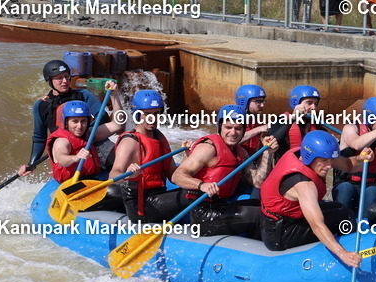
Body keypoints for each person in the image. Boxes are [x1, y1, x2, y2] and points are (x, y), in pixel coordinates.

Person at [260, 130, 372, 267]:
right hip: (280, 234)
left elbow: (349, 165)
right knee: (345, 218)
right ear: (310, 156)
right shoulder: (304, 184)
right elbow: (317, 226)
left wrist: (360, 158)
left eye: (331, 160)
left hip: (289, 218)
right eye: (325, 161)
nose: (330, 165)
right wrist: (344, 254)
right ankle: (350, 253)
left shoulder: (304, 154)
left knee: (341, 210)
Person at [170, 105, 278, 238]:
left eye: (238, 128)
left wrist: (268, 152)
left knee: (267, 208)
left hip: (221, 206)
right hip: (203, 215)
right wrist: (201, 185)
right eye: (228, 127)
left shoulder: (241, 153)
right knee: (258, 215)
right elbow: (177, 175)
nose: (233, 133)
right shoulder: (208, 148)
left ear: (244, 130)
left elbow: (258, 182)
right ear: (220, 127)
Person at [18, 59, 106, 176]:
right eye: (59, 78)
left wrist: (84, 131)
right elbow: (39, 137)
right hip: (64, 149)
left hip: (88, 144)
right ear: (49, 80)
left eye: (66, 76)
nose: (64, 81)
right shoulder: (41, 105)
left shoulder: (83, 95)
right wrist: (32, 163)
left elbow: (103, 117)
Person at [46, 94, 126, 211]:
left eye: (83, 121)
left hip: (91, 179)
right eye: (75, 121)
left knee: (125, 186)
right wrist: (75, 157)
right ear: (66, 122)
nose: (80, 126)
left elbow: (118, 124)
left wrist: (115, 96)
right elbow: (62, 158)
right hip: (71, 186)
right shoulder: (62, 141)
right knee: (115, 192)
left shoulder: (89, 134)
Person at [111, 89, 179, 222]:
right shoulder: (129, 141)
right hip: (140, 205)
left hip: (157, 195)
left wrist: (190, 162)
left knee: (194, 193)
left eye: (156, 113)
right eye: (147, 114)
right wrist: (128, 175)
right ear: (137, 115)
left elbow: (173, 174)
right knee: (189, 196)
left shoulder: (160, 137)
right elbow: (113, 174)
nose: (152, 118)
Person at [268, 85, 321, 160]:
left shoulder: (314, 123)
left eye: (316, 103)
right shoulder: (281, 120)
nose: (314, 107)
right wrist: (293, 118)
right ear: (296, 103)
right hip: (287, 165)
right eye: (309, 103)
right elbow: (272, 140)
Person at [234, 84, 269, 153]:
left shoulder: (256, 119)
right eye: (258, 101)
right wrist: (259, 129)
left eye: (263, 101)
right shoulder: (233, 118)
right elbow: (230, 141)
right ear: (245, 101)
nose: (262, 105)